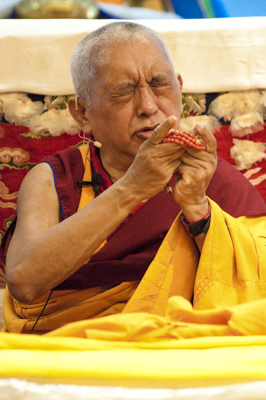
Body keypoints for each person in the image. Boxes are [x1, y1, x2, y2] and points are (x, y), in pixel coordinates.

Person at [2, 21, 266, 335]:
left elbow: (256, 281)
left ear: (180, 90)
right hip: (79, 347)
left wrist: (198, 210)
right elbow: (23, 282)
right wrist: (131, 189)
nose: (148, 106)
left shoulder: (210, 177)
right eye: (123, 92)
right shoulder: (54, 178)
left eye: (160, 84)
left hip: (182, 343)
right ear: (83, 113)